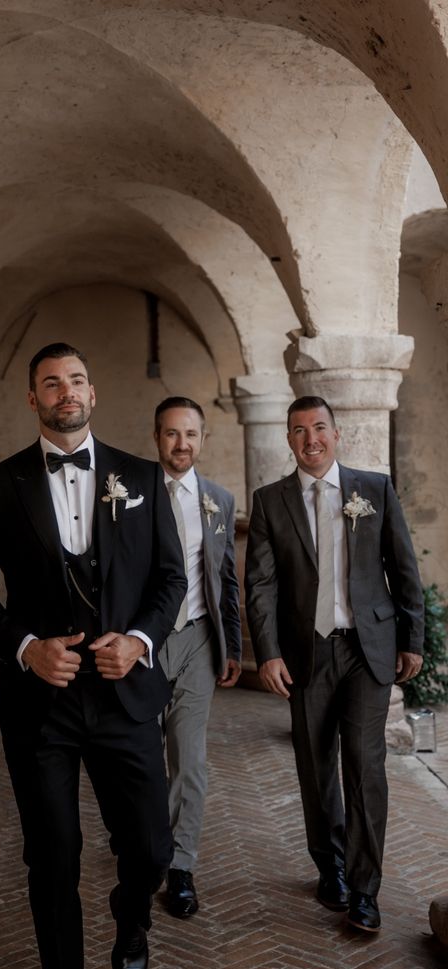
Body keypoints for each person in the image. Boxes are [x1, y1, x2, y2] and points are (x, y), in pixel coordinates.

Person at [0, 343, 186, 969]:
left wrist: (139, 641)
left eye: (76, 379)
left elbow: (172, 576)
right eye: (51, 383)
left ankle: (131, 922)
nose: (66, 392)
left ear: (93, 391)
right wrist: (25, 647)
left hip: (125, 693)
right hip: (39, 704)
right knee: (52, 857)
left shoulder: (140, 476)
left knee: (150, 848)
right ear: (33, 398)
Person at [245, 395, 424, 933]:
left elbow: (403, 564)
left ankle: (365, 887)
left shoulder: (374, 489)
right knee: (315, 763)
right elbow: (260, 584)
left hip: (367, 648)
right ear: (289, 439)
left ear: (336, 432)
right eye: (298, 431)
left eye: (319, 428)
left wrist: (412, 638)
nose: (310, 439)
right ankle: (330, 867)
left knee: (366, 767)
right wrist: (269, 652)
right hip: (307, 651)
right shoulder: (270, 500)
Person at [153, 397, 242, 919]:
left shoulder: (219, 500)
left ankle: (181, 867)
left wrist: (230, 644)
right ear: (157, 437)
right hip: (144, 642)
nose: (181, 444)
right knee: (141, 754)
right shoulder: (131, 493)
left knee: (189, 758)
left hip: (200, 640)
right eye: (171, 434)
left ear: (202, 439)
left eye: (190, 434)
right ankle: (146, 848)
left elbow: (225, 577)